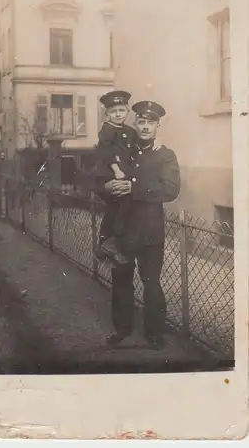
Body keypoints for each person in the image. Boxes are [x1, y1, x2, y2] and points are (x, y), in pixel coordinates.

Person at [97, 100, 181, 350]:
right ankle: (122, 330)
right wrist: (106, 187)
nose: (145, 127)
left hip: (149, 231)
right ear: (135, 123)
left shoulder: (165, 154)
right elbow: (99, 177)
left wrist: (135, 188)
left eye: (150, 123)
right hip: (121, 229)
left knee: (151, 282)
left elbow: (171, 189)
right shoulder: (123, 149)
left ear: (158, 125)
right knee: (121, 280)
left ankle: (155, 333)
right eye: (141, 122)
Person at [93, 90, 139, 264]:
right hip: (112, 173)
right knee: (121, 205)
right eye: (113, 111)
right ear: (107, 114)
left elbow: (137, 145)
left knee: (118, 209)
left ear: (127, 111)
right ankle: (110, 244)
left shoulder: (129, 130)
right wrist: (116, 170)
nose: (118, 114)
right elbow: (106, 151)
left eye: (121, 110)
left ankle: (105, 246)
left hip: (125, 172)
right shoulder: (107, 130)